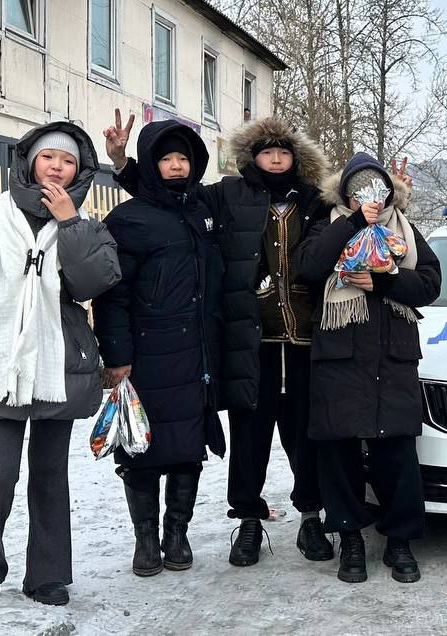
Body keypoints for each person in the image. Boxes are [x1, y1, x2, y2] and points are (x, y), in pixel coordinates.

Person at [106, 112, 334, 567]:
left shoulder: (315, 201)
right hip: (250, 341)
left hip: (307, 342)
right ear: (252, 157)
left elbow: (356, 214)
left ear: (297, 158)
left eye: (284, 152)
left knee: (307, 437)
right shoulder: (228, 194)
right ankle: (248, 522)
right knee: (250, 439)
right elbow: (169, 199)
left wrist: (391, 196)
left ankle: (311, 517)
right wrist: (124, 165)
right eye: (267, 152)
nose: (275, 159)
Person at [0, 122, 121, 605]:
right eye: (48, 157)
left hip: (59, 365)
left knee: (50, 476)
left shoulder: (87, 223)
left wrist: (70, 223)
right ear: (30, 162)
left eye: (68, 161)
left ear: (80, 170)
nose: (57, 167)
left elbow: (94, 283)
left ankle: (48, 576)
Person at [295, 152, 441, 584]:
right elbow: (311, 267)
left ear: (389, 193)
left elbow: (430, 284)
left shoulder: (405, 230)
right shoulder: (328, 224)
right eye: (358, 191)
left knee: (396, 455)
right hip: (340, 358)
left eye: (375, 189)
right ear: (345, 195)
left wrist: (384, 281)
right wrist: (355, 223)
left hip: (393, 357)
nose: (368, 198)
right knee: (339, 453)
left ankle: (400, 540)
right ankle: (351, 540)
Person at [93, 121, 226, 577]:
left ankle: (177, 533)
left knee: (188, 448)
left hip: (196, 356)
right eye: (166, 158)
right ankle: (146, 539)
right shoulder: (127, 220)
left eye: (183, 158)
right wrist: (117, 357)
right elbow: (112, 296)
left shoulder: (202, 210)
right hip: (146, 358)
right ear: (152, 164)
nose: (175, 165)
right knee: (141, 448)